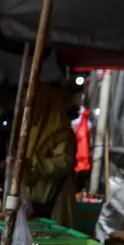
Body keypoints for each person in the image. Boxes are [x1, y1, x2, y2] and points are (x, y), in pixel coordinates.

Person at [22, 86, 79, 228]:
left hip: (55, 199)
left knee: (54, 242)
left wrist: (34, 164)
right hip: (34, 200)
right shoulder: (32, 130)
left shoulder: (61, 131)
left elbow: (65, 162)